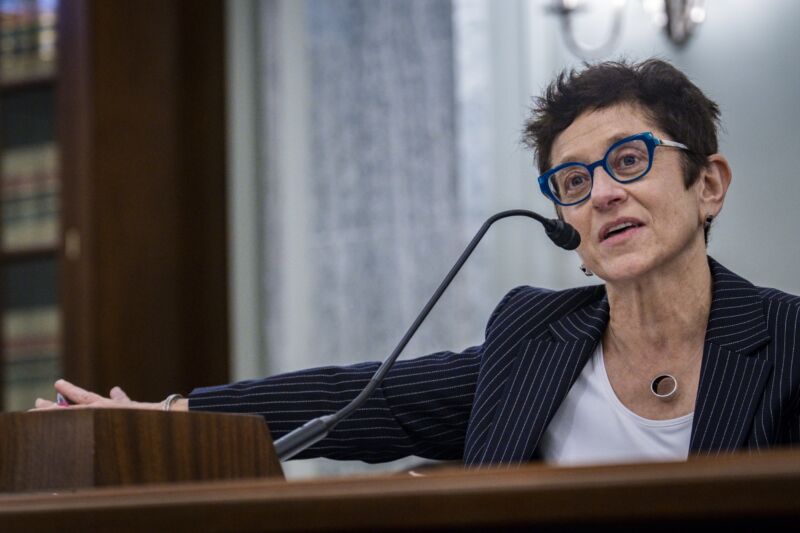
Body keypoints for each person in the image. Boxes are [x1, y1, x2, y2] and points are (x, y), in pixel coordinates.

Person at [34, 58, 800, 467]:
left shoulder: (787, 341)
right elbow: (360, 401)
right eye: (574, 179)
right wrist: (170, 419)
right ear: (563, 216)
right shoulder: (534, 337)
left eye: (628, 160)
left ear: (709, 184)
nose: (602, 194)